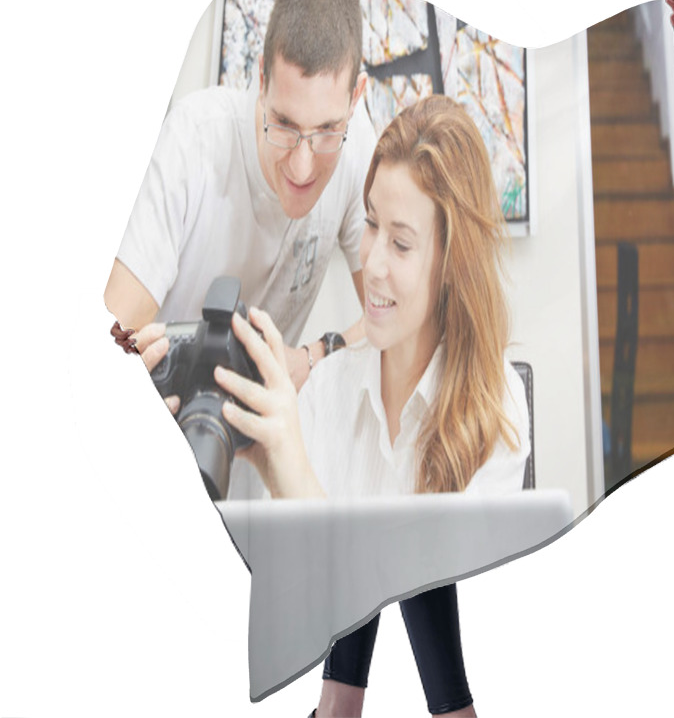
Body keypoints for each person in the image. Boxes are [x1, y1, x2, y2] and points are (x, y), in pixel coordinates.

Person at [213, 95, 531, 716]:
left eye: (403, 243)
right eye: (370, 226)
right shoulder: (330, 393)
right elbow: (298, 615)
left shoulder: (494, 410)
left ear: (451, 264)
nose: (372, 264)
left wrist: (298, 477)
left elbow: (448, 602)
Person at [105, 0, 374, 391]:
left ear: (355, 97)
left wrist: (312, 358)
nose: (302, 167)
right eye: (284, 125)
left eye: (325, 132)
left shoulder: (358, 150)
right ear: (263, 78)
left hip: (257, 445)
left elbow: (405, 318)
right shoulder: (193, 140)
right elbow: (105, 349)